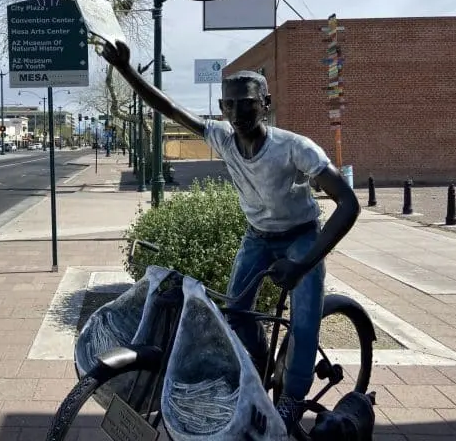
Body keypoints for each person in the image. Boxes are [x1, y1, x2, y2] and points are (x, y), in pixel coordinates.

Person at [101, 40, 360, 433]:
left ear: (266, 103)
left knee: (305, 321)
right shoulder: (222, 137)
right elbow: (168, 108)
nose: (238, 112)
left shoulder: (294, 148)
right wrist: (125, 69)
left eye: (248, 103)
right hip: (258, 236)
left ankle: (291, 400)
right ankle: (258, 369)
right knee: (236, 313)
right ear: (222, 107)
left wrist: (303, 263)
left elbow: (348, 204)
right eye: (230, 104)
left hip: (300, 237)